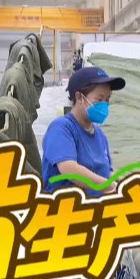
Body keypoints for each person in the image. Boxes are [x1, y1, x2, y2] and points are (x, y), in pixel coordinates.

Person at [41, 65, 126, 197]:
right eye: (99, 99)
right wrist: (107, 185)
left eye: (107, 100)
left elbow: (105, 172)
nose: (104, 105)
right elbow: (69, 169)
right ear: (79, 97)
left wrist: (125, 182)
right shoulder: (61, 128)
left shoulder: (100, 136)